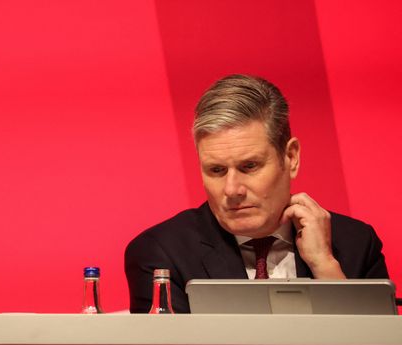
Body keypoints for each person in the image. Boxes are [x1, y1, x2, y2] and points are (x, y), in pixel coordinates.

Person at [125, 74, 388, 313]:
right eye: (216, 170)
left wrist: (325, 267)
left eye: (249, 166)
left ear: (291, 157)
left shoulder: (355, 244)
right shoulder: (162, 254)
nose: (232, 189)